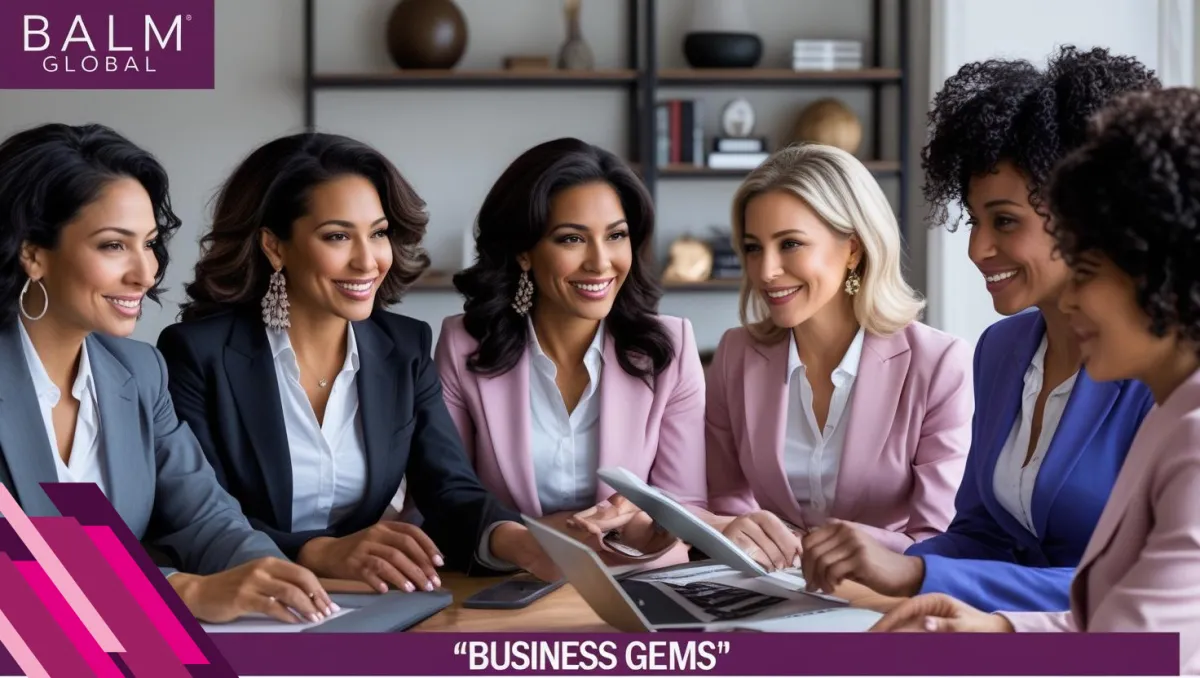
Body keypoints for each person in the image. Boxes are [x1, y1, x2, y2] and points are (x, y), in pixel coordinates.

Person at [800, 46, 1158, 612]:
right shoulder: (1002, 349)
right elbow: (983, 534)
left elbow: (1145, 583)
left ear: (1084, 215)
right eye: (974, 219)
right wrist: (880, 563)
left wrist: (914, 574)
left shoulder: (1157, 370)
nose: (977, 249)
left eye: (1005, 221)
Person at [872, 85, 1200, 675]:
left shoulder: (1185, 427)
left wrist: (942, 592)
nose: (1069, 300)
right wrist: (995, 628)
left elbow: (1139, 650)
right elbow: (1113, 613)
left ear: (1160, 275)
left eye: (1087, 270)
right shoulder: (1172, 409)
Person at [156, 132, 558, 593]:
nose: (368, 261)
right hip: (241, 600)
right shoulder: (198, 354)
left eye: (379, 233)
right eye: (338, 236)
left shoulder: (404, 347)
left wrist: (524, 544)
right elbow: (196, 517)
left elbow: (449, 489)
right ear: (274, 246)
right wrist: (316, 551)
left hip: (367, 600)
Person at [0, 122, 335, 625]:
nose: (146, 272)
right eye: (113, 246)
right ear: (32, 253)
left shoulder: (138, 371)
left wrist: (272, 576)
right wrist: (181, 591)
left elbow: (205, 517)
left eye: (149, 243)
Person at [699, 142, 971, 570]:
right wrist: (746, 534)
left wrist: (820, 546)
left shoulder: (939, 364)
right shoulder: (736, 354)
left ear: (853, 249)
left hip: (884, 593)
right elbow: (726, 501)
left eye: (790, 244)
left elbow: (937, 539)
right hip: (762, 585)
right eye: (753, 248)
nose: (766, 271)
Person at [435, 137, 705, 567]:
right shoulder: (462, 345)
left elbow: (686, 509)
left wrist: (636, 524)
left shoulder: (671, 348)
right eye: (572, 239)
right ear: (524, 252)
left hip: (636, 579)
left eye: (616, 235)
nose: (600, 262)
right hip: (511, 581)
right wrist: (532, 541)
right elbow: (444, 502)